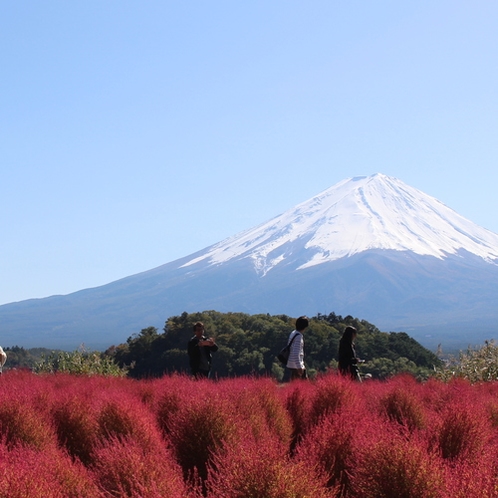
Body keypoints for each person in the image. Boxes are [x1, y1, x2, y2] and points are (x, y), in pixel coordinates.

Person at [283, 316, 309, 382]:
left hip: (291, 362)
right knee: (303, 385)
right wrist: (299, 367)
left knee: (294, 383)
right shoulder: (299, 337)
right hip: (296, 364)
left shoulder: (293, 333)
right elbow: (295, 352)